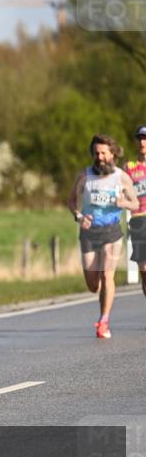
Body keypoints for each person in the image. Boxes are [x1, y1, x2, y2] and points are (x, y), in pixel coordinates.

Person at [67, 134, 138, 339]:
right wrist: (79, 216)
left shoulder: (122, 177)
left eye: (104, 153)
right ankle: (101, 306)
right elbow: (71, 201)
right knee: (92, 285)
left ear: (113, 154)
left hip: (111, 232)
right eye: (96, 153)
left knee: (108, 275)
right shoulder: (85, 176)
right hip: (89, 232)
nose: (99, 157)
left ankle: (104, 321)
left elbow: (135, 203)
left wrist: (123, 204)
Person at [125, 125, 146, 305]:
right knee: (144, 270)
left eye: (145, 138)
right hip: (138, 220)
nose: (142, 142)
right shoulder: (130, 167)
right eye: (139, 138)